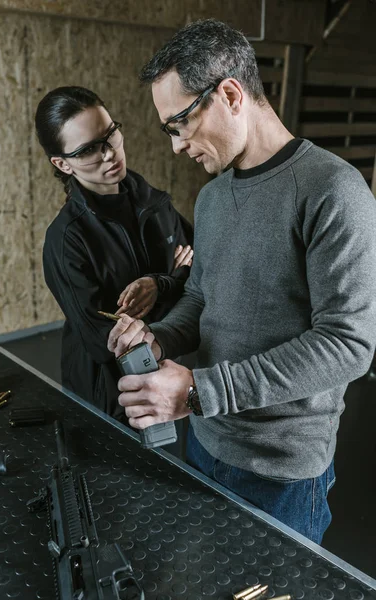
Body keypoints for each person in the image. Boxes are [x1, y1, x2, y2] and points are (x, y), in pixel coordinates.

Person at [107, 19, 376, 543]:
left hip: (280, 474)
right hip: (205, 442)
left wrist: (198, 392)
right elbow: (204, 297)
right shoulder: (211, 199)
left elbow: (349, 344)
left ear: (230, 94)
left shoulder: (333, 192)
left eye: (178, 124)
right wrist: (160, 336)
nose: (177, 146)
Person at [35, 86, 193, 420]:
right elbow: (103, 341)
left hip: (173, 376)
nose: (110, 154)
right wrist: (177, 281)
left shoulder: (155, 202)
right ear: (62, 164)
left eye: (111, 135)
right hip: (109, 395)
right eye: (89, 149)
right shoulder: (66, 240)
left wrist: (159, 284)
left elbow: (202, 270)